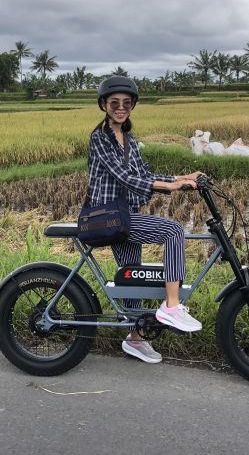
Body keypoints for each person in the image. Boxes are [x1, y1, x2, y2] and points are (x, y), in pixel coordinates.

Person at [87, 75, 202, 364]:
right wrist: (172, 187)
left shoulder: (130, 139)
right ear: (104, 105)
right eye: (114, 103)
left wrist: (181, 178)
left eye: (126, 103)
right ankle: (172, 305)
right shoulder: (99, 138)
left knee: (131, 275)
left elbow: (144, 175)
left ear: (133, 105)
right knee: (174, 231)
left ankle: (135, 339)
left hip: (125, 216)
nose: (120, 108)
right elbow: (124, 176)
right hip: (108, 216)